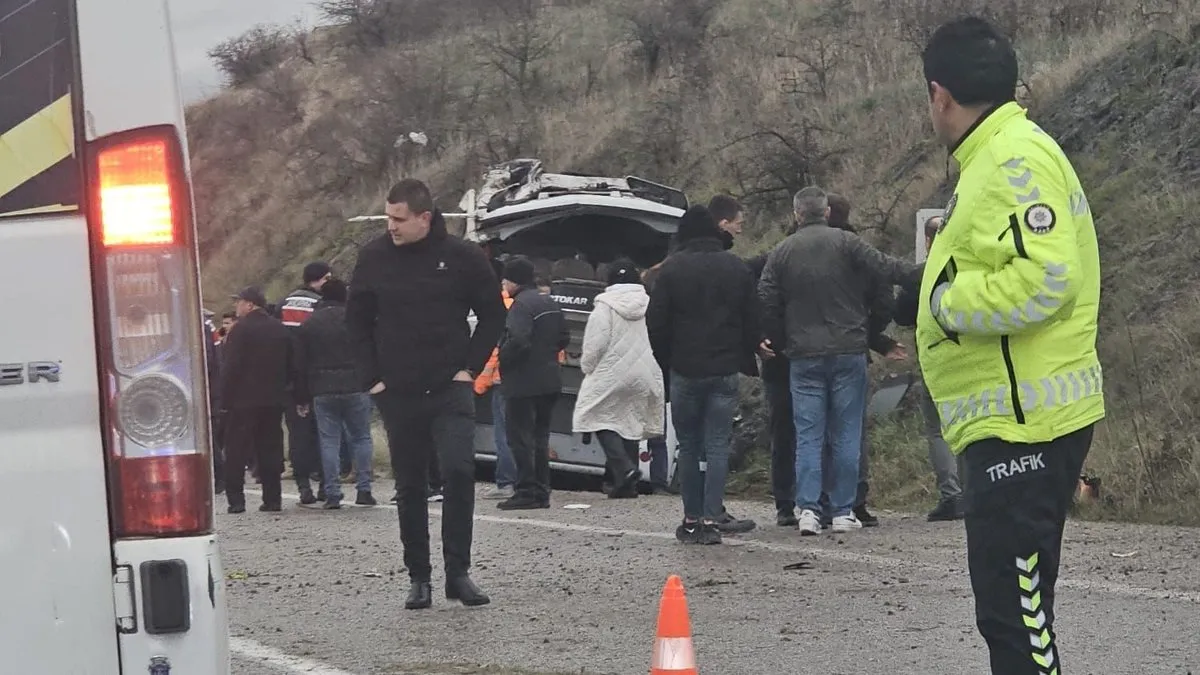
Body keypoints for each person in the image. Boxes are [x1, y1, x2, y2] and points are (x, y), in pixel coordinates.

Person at [917, 18, 1104, 673]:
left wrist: (946, 303)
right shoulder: (1000, 154)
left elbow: (1048, 277)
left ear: (940, 95)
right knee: (1012, 615)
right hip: (1016, 421)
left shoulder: (1010, 158)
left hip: (1026, 427)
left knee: (1017, 619)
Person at [346, 178, 506, 610]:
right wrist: (372, 379)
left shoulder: (462, 257)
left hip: (449, 389)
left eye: (398, 219)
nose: (391, 227)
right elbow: (356, 322)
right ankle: (419, 576)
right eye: (387, 217)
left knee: (458, 472)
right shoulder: (374, 257)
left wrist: (468, 368)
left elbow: (493, 313)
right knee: (411, 485)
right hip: (397, 391)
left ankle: (459, 572)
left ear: (425, 218)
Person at [758, 186, 918, 536]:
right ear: (827, 212)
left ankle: (808, 511)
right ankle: (844, 510)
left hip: (803, 357)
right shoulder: (848, 244)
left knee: (809, 434)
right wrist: (928, 272)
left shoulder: (782, 252)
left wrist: (779, 340)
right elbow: (886, 269)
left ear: (797, 214)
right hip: (848, 351)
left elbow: (766, 299)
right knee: (846, 433)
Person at [648, 205, 761, 546]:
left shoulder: (671, 271)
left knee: (689, 444)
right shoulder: (736, 267)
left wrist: (667, 360)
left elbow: (656, 323)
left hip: (685, 369)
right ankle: (713, 517)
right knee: (717, 446)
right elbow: (752, 317)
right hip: (724, 369)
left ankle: (692, 519)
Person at [572, 259, 665, 499]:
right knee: (630, 421)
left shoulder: (605, 306)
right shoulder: (651, 304)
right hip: (645, 371)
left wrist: (587, 366)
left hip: (612, 371)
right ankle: (627, 485)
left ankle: (624, 469)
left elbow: (596, 343)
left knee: (592, 415)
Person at [895, 214, 966, 521]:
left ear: (927, 241)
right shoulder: (973, 268)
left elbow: (899, 314)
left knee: (938, 430)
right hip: (976, 359)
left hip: (936, 358)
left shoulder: (922, 275)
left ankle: (953, 495)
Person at [294, 278, 377, 510]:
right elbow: (371, 349)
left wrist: (302, 397)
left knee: (329, 440)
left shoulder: (309, 325)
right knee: (361, 437)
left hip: (322, 388)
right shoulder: (356, 321)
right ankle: (364, 489)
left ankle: (332, 492)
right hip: (356, 384)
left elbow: (300, 364)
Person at [496, 257, 570, 511]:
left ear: (515, 280)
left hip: (523, 381)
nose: (503, 282)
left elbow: (518, 340)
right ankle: (541, 490)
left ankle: (525, 489)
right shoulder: (549, 302)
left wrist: (503, 359)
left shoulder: (521, 306)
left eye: (506, 278)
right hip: (549, 379)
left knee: (519, 437)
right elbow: (564, 337)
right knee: (540, 438)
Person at [219, 286, 295, 513]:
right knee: (270, 449)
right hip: (273, 399)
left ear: (250, 304)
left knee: (236, 450)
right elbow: (291, 363)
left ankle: (236, 501)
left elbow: (231, 367)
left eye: (239, 302)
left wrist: (224, 399)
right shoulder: (279, 328)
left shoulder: (240, 330)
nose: (236, 307)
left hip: (243, 401)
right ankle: (273, 499)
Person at [279, 261, 333, 505]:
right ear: (322, 279)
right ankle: (324, 483)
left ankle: (303, 486)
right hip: (318, 378)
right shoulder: (320, 306)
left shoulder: (284, 304)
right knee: (324, 433)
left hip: (289, 381)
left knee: (298, 435)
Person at [475, 285, 518, 500]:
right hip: (529, 381)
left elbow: (494, 352)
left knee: (503, 434)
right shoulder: (536, 306)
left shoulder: (501, 308)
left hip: (503, 381)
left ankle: (506, 483)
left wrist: (479, 383)